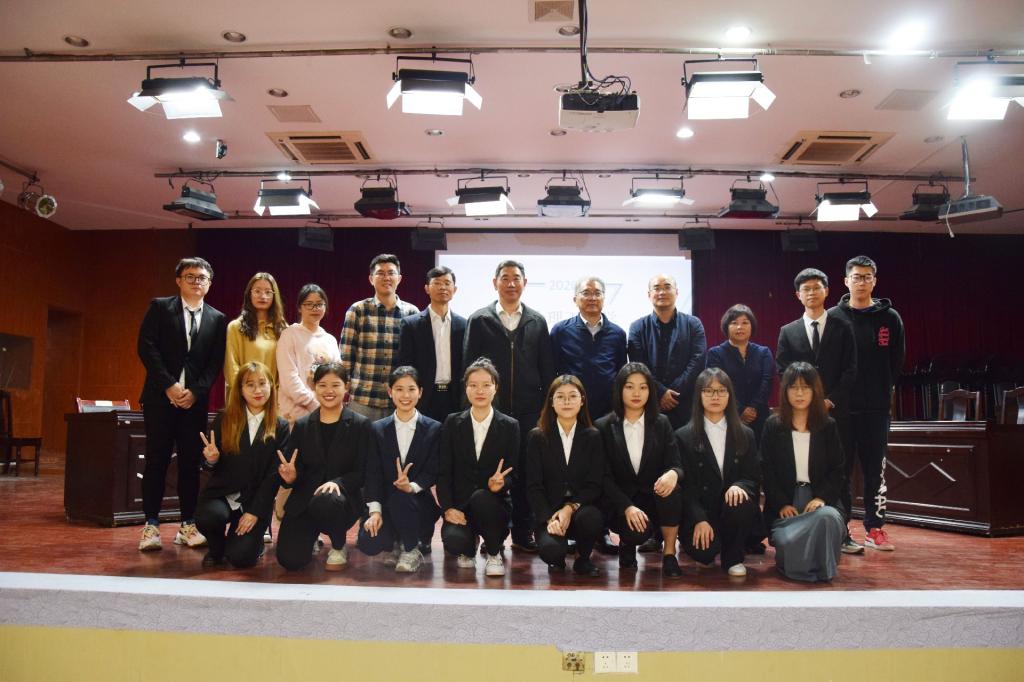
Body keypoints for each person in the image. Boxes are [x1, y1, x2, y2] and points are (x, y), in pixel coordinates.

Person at [137, 257, 226, 552]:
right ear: (178, 280)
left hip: (194, 404)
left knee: (190, 464)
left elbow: (215, 363)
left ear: (209, 284)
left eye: (202, 277)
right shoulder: (161, 308)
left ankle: (187, 524)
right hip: (160, 399)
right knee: (157, 461)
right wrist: (169, 385)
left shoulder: (217, 318)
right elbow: (146, 347)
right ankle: (151, 525)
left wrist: (196, 392)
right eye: (190, 276)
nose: (196, 281)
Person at [463, 260, 554, 552]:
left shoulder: (537, 321)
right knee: (493, 471)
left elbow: (547, 370)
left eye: (516, 278)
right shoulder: (479, 319)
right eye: (505, 278)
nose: (511, 283)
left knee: (526, 472)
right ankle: (492, 534)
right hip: (491, 411)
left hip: (529, 412)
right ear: (495, 283)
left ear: (525, 283)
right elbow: (469, 368)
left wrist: (545, 413)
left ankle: (523, 532)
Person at [775, 267, 860, 554]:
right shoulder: (788, 331)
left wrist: (829, 399)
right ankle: (800, 526)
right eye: (806, 289)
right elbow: (783, 370)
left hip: (836, 412)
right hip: (799, 415)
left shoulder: (843, 327)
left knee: (840, 471)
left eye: (816, 287)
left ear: (827, 291)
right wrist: (805, 400)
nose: (811, 293)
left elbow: (850, 369)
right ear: (798, 295)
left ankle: (842, 532)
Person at [828, 255, 905, 552]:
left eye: (867, 277)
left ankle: (874, 528)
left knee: (876, 470)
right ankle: (842, 527)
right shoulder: (833, 317)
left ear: (875, 281)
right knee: (841, 471)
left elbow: (896, 361)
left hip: (876, 409)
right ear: (846, 281)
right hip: (842, 410)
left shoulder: (890, 318)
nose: (861, 282)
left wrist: (881, 391)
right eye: (856, 277)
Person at [275, 362, 374, 571]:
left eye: (335, 385)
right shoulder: (302, 425)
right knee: (290, 560)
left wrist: (338, 483)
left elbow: (363, 472)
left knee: (327, 499)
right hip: (305, 499)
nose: (329, 391)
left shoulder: (360, 424)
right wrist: (291, 477)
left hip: (342, 501)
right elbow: (293, 468)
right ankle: (312, 536)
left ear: (346, 387)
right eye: (322, 385)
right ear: (314, 387)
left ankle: (338, 546)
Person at [194, 361, 288, 568]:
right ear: (240, 390)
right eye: (250, 385)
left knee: (240, 558)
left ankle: (251, 543)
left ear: (271, 386)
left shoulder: (280, 426)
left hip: (255, 500)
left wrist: (254, 512)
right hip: (222, 494)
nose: (257, 390)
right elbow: (207, 466)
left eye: (262, 383)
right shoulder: (224, 419)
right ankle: (217, 549)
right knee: (207, 517)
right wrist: (211, 460)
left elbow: (273, 477)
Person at [595, 362, 684, 577]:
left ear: (650, 391)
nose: (636, 393)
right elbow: (603, 476)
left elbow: (676, 465)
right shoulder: (603, 426)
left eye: (643, 387)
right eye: (630, 387)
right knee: (635, 532)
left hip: (653, 499)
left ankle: (669, 554)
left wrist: (673, 474)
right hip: (621, 502)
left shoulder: (661, 423)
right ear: (620, 390)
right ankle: (627, 543)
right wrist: (627, 507)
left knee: (672, 490)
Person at [761, 362, 846, 582]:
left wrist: (822, 498)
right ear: (785, 391)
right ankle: (801, 561)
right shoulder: (773, 426)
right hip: (787, 504)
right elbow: (766, 470)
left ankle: (818, 569)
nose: (799, 393)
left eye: (806, 387)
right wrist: (781, 503)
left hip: (817, 501)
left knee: (827, 518)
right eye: (793, 387)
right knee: (787, 542)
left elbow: (838, 469)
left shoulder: (828, 426)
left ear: (815, 391)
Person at [437, 358, 521, 577]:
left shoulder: (510, 426)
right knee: (454, 541)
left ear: (496, 387)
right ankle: (469, 547)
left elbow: (514, 474)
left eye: (486, 385)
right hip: (460, 508)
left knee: (482, 497)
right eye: (473, 385)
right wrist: (448, 508)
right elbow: (444, 472)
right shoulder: (452, 422)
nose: (480, 391)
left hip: (494, 506)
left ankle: (494, 552)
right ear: (466, 388)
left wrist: (502, 484)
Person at [675, 368, 761, 577]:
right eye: (708, 391)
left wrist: (740, 486)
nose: (715, 396)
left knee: (740, 499)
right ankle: (711, 541)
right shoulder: (683, 436)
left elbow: (753, 476)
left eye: (721, 391)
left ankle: (733, 558)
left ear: (729, 395)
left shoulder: (745, 434)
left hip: (733, 511)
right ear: (699, 395)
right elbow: (686, 487)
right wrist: (699, 519)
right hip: (702, 512)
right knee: (705, 555)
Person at [357, 366, 442, 573]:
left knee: (401, 498)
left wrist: (411, 486)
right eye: (399, 389)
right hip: (386, 503)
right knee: (368, 542)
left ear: (420, 392)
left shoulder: (434, 428)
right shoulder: (377, 429)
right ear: (390, 392)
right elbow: (372, 473)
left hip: (418, 504)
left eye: (411, 389)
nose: (405, 395)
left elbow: (433, 471)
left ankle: (411, 549)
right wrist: (375, 512)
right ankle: (398, 542)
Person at [526, 375, 605, 577]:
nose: (567, 401)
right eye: (560, 396)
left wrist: (570, 508)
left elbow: (594, 485)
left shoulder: (593, 436)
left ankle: (582, 558)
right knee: (552, 551)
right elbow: (534, 486)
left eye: (572, 396)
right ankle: (558, 557)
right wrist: (549, 518)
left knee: (592, 518)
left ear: (582, 400)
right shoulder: (537, 436)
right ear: (551, 402)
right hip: (549, 511)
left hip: (580, 509)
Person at [340, 254, 419, 423]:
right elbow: (346, 356)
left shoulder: (412, 313)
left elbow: (416, 359)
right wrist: (344, 390)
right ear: (371, 279)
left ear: (399, 278)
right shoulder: (358, 310)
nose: (386, 277)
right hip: (363, 399)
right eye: (380, 273)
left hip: (399, 401)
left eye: (391, 273)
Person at [627, 274, 707, 429]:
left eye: (667, 287)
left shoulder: (693, 324)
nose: (662, 292)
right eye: (657, 288)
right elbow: (638, 365)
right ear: (649, 294)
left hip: (685, 403)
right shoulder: (637, 327)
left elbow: (698, 361)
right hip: (651, 403)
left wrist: (673, 392)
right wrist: (661, 392)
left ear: (676, 292)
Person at [550, 276, 627, 422]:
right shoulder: (560, 331)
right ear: (575, 299)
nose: (592, 298)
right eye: (586, 293)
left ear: (604, 298)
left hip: (608, 412)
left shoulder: (618, 334)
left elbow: (621, 375)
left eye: (597, 293)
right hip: (571, 409)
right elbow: (551, 372)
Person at [396, 266, 466, 423]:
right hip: (424, 396)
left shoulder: (464, 325)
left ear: (454, 289)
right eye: (437, 283)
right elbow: (405, 364)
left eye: (447, 283)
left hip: (455, 397)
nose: (442, 287)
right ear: (427, 288)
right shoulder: (411, 324)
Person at [706, 304, 774, 444]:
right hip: (727, 414)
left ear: (752, 326)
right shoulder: (715, 353)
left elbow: (767, 382)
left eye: (745, 323)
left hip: (759, 415)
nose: (739, 327)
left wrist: (753, 407)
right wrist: (740, 409)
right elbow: (716, 384)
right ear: (726, 326)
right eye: (734, 323)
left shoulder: (764, 352)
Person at [276, 284, 340, 424]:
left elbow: (337, 377)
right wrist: (315, 404)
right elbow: (288, 379)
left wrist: (328, 404)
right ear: (300, 307)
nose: (315, 309)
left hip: (325, 411)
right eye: (309, 304)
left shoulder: (330, 340)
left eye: (319, 304)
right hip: (295, 413)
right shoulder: (289, 335)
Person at [224, 272, 288, 396]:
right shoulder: (236, 327)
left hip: (274, 399)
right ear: (249, 294)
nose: (263, 296)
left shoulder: (284, 329)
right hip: (243, 397)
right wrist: (247, 394)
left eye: (268, 292)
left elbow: (287, 370)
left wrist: (274, 397)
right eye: (257, 291)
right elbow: (231, 367)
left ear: (274, 296)